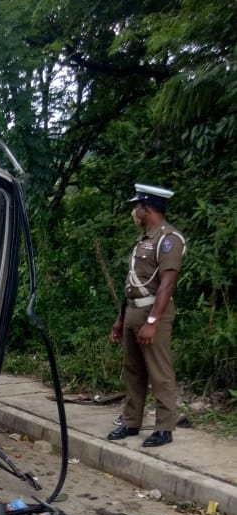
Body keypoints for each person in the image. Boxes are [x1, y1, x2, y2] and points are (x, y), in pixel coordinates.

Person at [107, 183, 186, 449]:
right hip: (133, 311)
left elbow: (167, 284)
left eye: (136, 207)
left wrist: (152, 321)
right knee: (133, 371)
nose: (134, 212)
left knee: (159, 372)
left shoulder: (168, 239)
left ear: (147, 208)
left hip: (154, 313)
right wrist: (120, 319)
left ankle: (164, 428)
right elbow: (132, 282)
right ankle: (131, 422)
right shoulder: (144, 239)